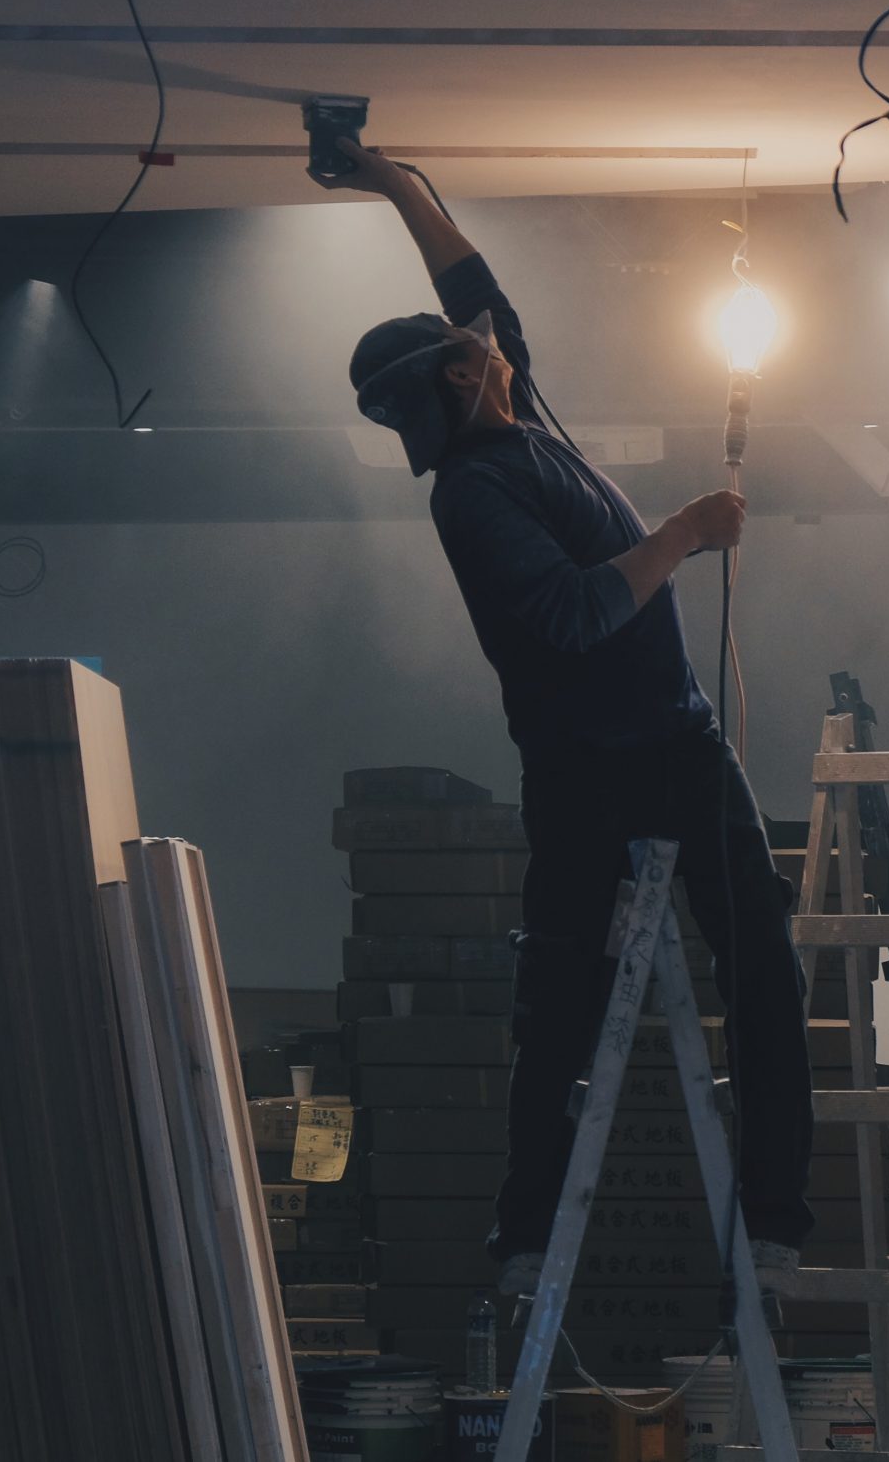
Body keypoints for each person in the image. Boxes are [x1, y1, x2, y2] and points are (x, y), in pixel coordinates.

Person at [320, 141, 814, 1295]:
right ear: (457, 382)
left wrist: (399, 188)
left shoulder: (515, 418)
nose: (489, 339)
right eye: (471, 349)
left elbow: (473, 291)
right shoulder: (475, 493)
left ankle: (777, 1220)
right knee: (562, 1011)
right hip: (590, 776)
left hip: (680, 745)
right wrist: (685, 532)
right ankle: (527, 1232)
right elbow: (576, 611)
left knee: (764, 976)